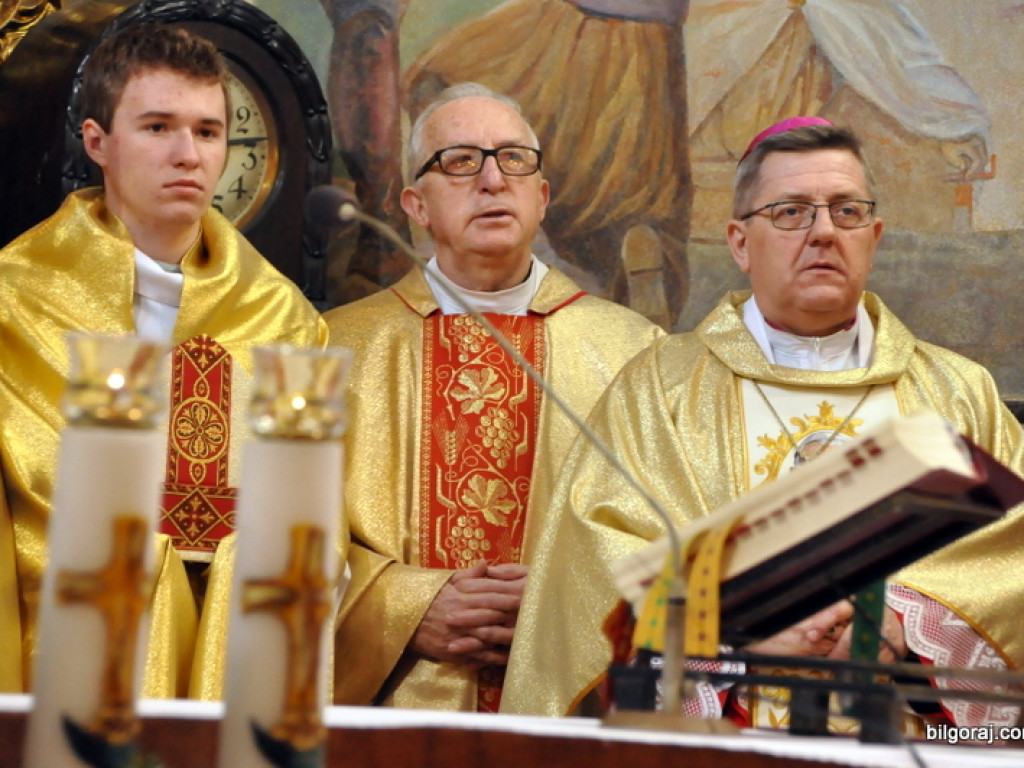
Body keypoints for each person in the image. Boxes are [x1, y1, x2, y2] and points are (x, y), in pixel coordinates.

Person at [501, 118, 1024, 732]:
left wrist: (903, 621)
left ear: (874, 236)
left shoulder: (958, 393)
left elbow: (1009, 561)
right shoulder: (659, 388)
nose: (825, 231)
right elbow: (592, 570)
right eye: (791, 212)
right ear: (740, 242)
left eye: (847, 211)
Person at [0, 24, 326, 696]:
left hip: (225, 671)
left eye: (209, 132)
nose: (189, 155)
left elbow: (310, 521)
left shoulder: (284, 319)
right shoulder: (14, 301)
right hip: (52, 663)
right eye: (158, 127)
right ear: (98, 143)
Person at [320, 82, 664, 712]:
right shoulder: (336, 351)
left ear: (541, 196)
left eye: (513, 160)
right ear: (415, 206)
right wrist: (406, 605)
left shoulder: (635, 352)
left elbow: (675, 535)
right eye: (459, 161)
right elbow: (283, 541)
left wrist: (563, 605)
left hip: (574, 713)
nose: (491, 180)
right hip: (396, 715)